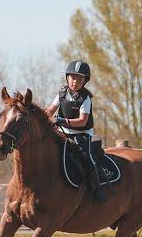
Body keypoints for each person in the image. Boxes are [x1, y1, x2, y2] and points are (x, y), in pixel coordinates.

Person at [45, 60, 107, 203]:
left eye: (80, 79)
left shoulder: (86, 98)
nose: (75, 82)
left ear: (85, 81)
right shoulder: (61, 93)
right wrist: (41, 118)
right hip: (62, 132)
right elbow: (50, 110)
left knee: (87, 158)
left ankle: (96, 188)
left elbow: (82, 121)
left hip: (82, 134)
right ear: (67, 78)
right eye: (73, 78)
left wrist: (62, 121)